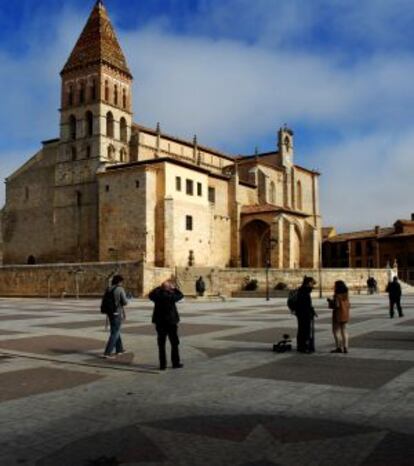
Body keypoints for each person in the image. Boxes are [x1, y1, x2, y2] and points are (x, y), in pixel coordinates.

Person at [149, 279, 184, 370]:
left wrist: (159, 287)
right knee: (174, 343)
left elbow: (150, 294)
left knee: (161, 344)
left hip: (160, 323)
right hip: (171, 323)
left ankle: (162, 365)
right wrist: (174, 288)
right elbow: (181, 295)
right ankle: (175, 363)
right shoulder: (171, 296)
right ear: (168, 288)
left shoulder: (157, 296)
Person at [103, 274, 128, 358]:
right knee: (115, 332)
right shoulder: (120, 289)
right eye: (122, 282)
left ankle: (119, 349)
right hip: (117, 312)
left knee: (115, 330)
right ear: (120, 281)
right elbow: (125, 302)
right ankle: (107, 352)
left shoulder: (108, 289)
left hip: (110, 313)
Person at [327, 280, 351, 353]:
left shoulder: (337, 295)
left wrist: (330, 301)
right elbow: (348, 304)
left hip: (338, 314)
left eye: (335, 285)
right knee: (344, 331)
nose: (334, 286)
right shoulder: (346, 295)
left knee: (336, 331)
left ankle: (339, 347)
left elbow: (336, 305)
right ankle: (346, 347)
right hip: (345, 313)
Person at [295, 276, 317, 353]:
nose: (313, 285)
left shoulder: (303, 290)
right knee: (304, 330)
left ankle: (301, 346)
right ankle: (303, 346)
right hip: (303, 313)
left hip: (301, 313)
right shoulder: (304, 291)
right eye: (311, 283)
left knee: (302, 329)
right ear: (308, 283)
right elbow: (305, 304)